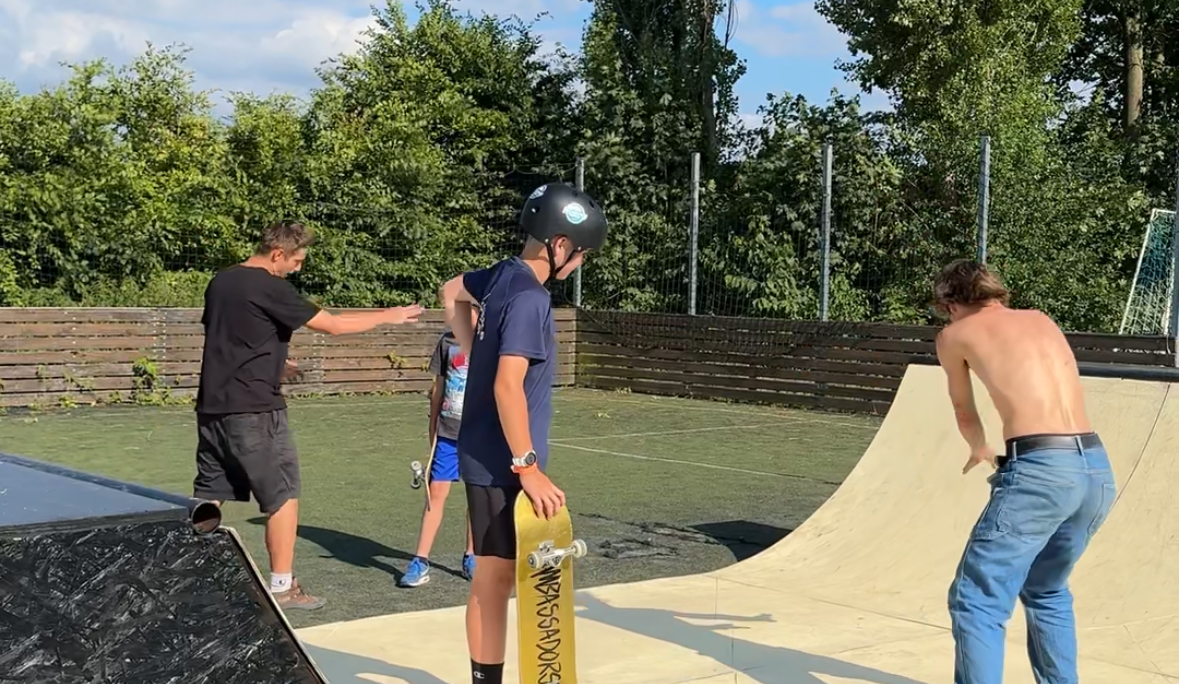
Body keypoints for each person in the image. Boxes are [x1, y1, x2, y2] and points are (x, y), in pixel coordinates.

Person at [193, 220, 424, 611]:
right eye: (296, 261)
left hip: (212, 408)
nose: (298, 268)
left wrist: (276, 362)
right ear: (278, 253)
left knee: (210, 493)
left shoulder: (221, 281)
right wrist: (389, 315)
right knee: (283, 496)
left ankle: (188, 567)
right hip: (256, 411)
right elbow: (331, 325)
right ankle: (282, 586)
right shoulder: (268, 285)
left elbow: (231, 337)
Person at [437, 182, 607, 684]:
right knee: (493, 580)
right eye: (579, 254)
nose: (579, 264)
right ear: (558, 244)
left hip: (483, 451)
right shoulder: (532, 299)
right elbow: (509, 387)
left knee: (495, 578)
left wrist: (473, 354)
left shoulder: (501, 277)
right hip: (502, 460)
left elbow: (451, 291)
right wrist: (527, 468)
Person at [932, 259, 1116, 684]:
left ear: (950, 303)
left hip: (1040, 472)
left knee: (977, 600)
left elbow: (963, 408)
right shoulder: (1039, 318)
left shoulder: (954, 334)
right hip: (1094, 469)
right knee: (1047, 590)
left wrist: (980, 447)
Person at [399, 305, 481, 587]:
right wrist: (433, 426)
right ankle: (420, 560)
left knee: (476, 496)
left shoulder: (491, 344)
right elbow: (438, 389)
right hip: (448, 434)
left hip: (479, 436)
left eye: (467, 310)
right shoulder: (446, 343)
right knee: (436, 494)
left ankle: (472, 556)